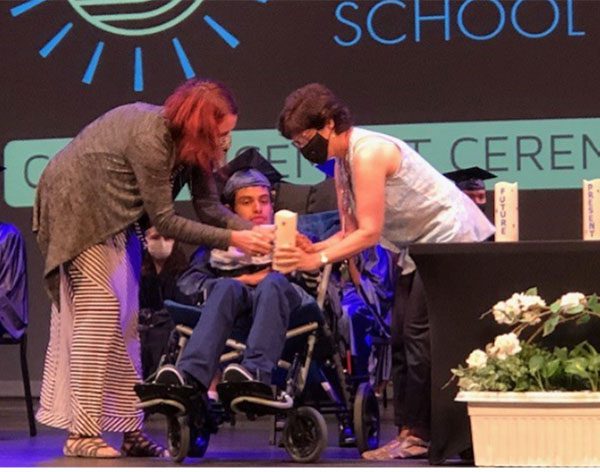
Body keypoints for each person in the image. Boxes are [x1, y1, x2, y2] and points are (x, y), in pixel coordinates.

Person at [32, 79, 273, 459]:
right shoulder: (152, 139)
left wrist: (261, 233)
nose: (227, 141)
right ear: (200, 127)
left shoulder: (194, 147)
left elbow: (208, 206)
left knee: (126, 320)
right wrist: (237, 241)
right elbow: (167, 220)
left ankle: (129, 429)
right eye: (222, 132)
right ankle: (81, 433)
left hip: (118, 216)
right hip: (78, 208)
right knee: (99, 315)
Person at [275, 83, 495, 460]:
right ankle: (411, 432)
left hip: (453, 239)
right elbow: (348, 231)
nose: (303, 150)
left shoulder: (368, 152)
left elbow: (369, 233)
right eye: (296, 144)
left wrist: (319, 260)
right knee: (398, 337)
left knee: (418, 336)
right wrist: (314, 248)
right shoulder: (343, 163)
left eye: (305, 139)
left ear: (328, 123)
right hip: (420, 247)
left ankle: (425, 433)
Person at [155, 166, 318, 393]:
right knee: (227, 286)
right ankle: (190, 376)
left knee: (272, 283)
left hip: (286, 312)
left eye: (264, 201)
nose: (258, 209)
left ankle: (256, 372)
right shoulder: (220, 248)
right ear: (230, 211)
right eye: (247, 202)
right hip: (235, 314)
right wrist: (245, 279)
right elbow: (187, 285)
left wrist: (306, 261)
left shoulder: (296, 239)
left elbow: (316, 286)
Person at [138, 227, 190, 381]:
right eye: (155, 237)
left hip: (170, 331)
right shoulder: (136, 272)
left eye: (168, 238)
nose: (162, 242)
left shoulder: (184, 274)